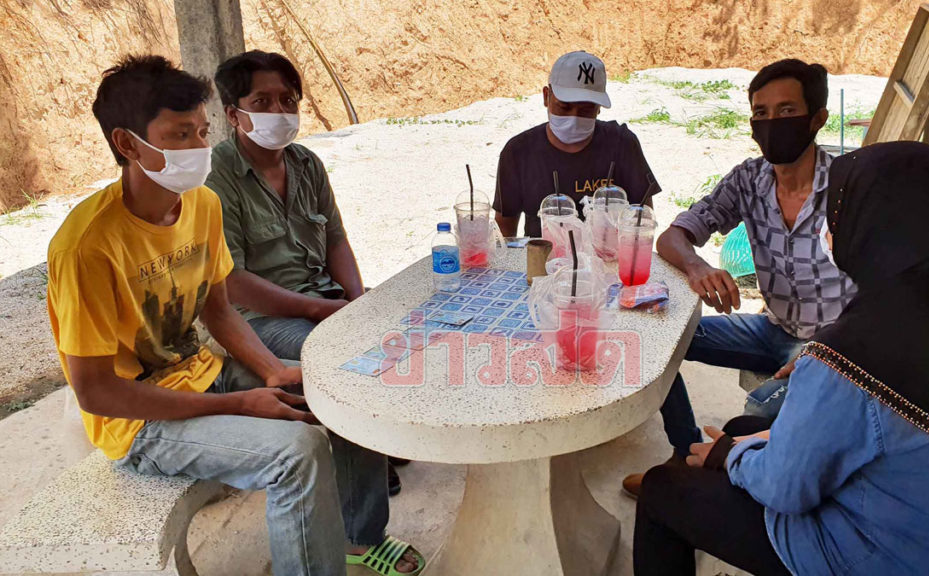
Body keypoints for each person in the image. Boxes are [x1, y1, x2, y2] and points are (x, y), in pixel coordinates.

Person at [48, 55, 422, 576]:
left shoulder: (201, 204)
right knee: (297, 452)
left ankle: (359, 538)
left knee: (344, 387)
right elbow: (96, 392)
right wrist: (245, 402)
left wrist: (271, 370)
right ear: (128, 143)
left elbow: (218, 309)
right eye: (179, 134)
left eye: (201, 132)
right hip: (137, 423)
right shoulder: (86, 247)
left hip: (202, 375)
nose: (199, 148)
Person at [634, 142, 929, 576]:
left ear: (874, 229)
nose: (829, 228)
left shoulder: (851, 355)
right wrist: (747, 443)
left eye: (841, 213)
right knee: (745, 429)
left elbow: (785, 489)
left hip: (878, 558)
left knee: (663, 489)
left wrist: (730, 457)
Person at [622, 59, 856, 497]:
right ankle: (685, 451)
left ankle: (727, 481)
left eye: (787, 112)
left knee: (760, 412)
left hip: (832, 343)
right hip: (772, 326)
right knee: (659, 340)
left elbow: (889, 286)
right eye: (761, 114)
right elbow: (674, 235)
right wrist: (699, 266)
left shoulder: (849, 185)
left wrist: (833, 351)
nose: (771, 125)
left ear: (818, 119)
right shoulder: (750, 179)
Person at [204, 50, 407, 496]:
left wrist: (356, 300)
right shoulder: (218, 175)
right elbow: (233, 282)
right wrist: (322, 310)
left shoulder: (306, 164)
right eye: (263, 102)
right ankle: (362, 475)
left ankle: (381, 434)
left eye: (287, 100)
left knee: (406, 323)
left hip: (322, 297)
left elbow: (336, 240)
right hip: (259, 319)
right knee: (349, 358)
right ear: (233, 114)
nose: (279, 112)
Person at [493, 50, 660, 238]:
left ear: (599, 109)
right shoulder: (519, 152)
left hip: (608, 260)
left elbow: (643, 222)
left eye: (586, 109)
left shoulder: (622, 145)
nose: (574, 117)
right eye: (564, 107)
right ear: (546, 96)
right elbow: (505, 232)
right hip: (543, 261)